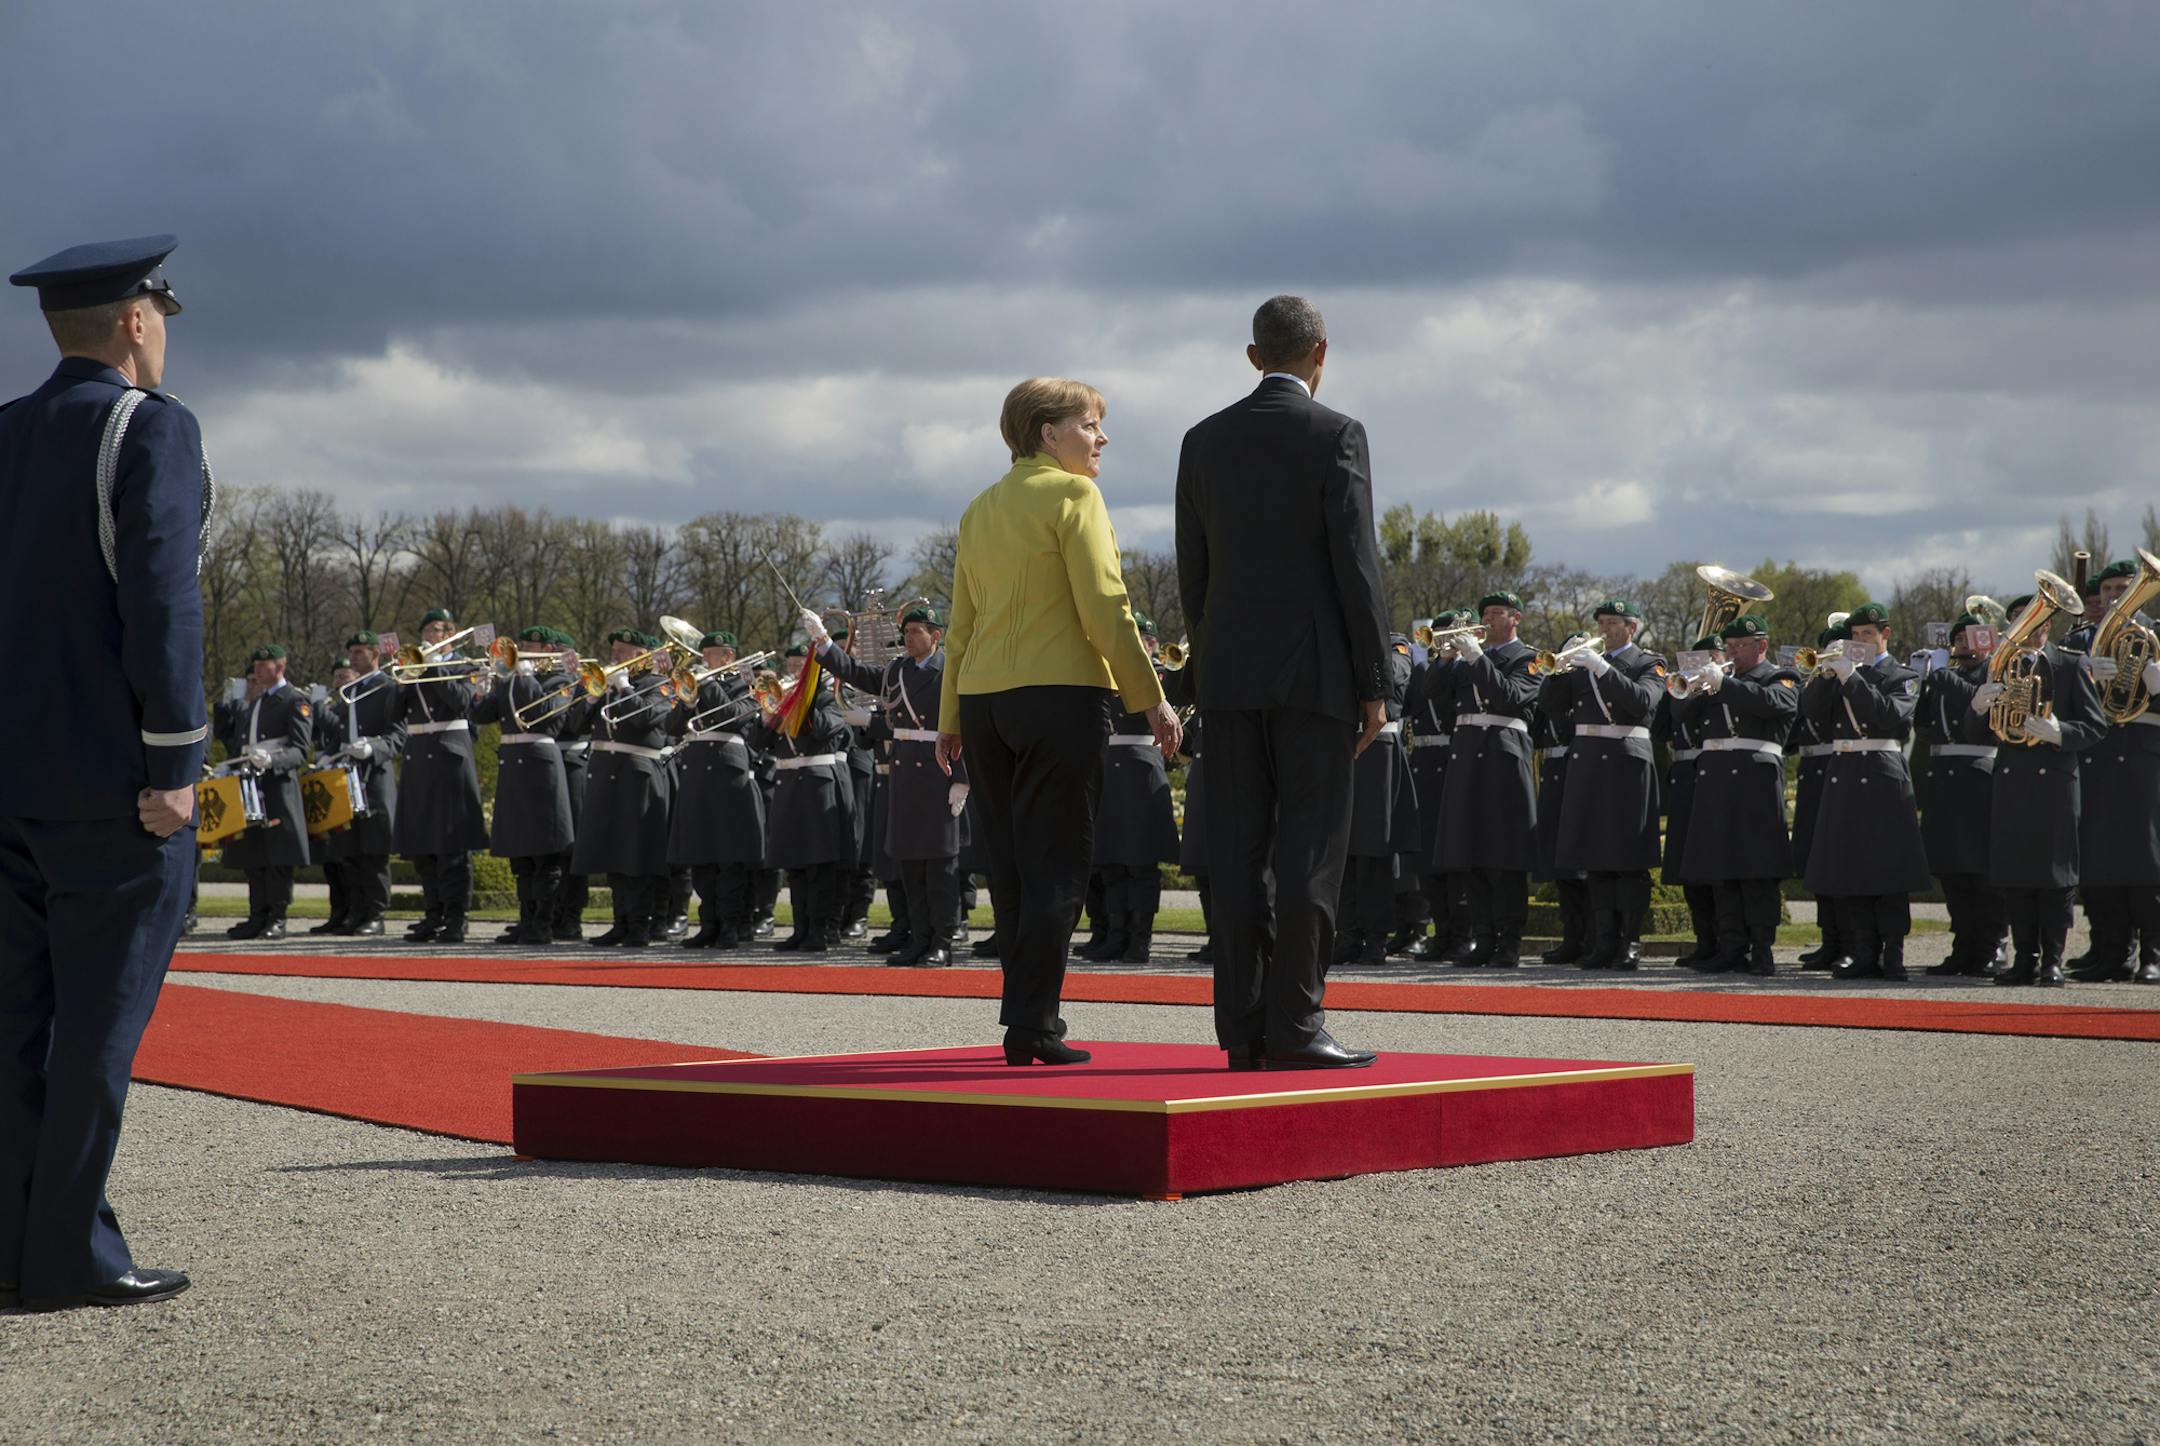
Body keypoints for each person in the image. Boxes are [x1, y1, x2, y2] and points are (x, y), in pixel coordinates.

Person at [2, 233, 207, 1309]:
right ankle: (71, 1257)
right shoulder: (147, 430)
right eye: (161, 313)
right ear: (135, 319)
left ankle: (15, 1248)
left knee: (12, 1030)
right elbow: (162, 601)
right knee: (94, 1032)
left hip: (10, 782)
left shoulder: (6, 432)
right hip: (114, 791)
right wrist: (176, 760)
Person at [1174, 295, 1389, 1069]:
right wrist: (1375, 681)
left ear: (1253, 355)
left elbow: (1192, 575)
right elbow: (1357, 571)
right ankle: (1296, 1024)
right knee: (1310, 854)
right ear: (1320, 352)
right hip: (1316, 675)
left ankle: (1243, 1030)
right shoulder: (1337, 434)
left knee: (1236, 856)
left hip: (1229, 677)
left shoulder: (1203, 440)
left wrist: (1206, 672)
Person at [940, 376, 1176, 1067]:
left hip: (984, 700)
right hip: (1061, 693)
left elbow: (961, 625)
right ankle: (1035, 1026)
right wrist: (1149, 695)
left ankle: (1025, 1019)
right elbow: (1107, 604)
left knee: (1011, 868)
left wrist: (950, 713)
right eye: (1089, 424)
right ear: (1048, 432)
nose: (1101, 438)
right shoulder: (1076, 495)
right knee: (1060, 866)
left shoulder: (980, 507)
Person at [807, 605, 967, 966]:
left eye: (916, 631)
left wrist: (962, 779)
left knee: (940, 868)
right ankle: (919, 938)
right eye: (906, 631)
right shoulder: (897, 670)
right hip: (905, 776)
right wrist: (823, 644)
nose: (908, 638)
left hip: (939, 771)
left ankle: (942, 941)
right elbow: (859, 674)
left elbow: (965, 727)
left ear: (936, 635)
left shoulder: (951, 671)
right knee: (910, 866)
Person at [1967, 601, 2107, 985]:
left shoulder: (2069, 664)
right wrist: (1978, 707)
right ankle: (2025, 958)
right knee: (2016, 875)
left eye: (2040, 620)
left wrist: (2061, 733)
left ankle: (2053, 960)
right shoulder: (1999, 664)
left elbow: (2095, 726)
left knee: (2055, 877)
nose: (2033, 628)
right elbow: (1973, 733)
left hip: (2055, 783)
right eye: (2024, 621)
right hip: (2012, 782)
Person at [1801, 603, 1932, 981]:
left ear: (1884, 634)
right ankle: (1863, 951)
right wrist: (1827, 677)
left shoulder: (1902, 675)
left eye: (1867, 635)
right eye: (1855, 636)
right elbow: (1810, 712)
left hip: (1881, 774)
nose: (1860, 642)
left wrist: (1852, 680)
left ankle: (1893, 953)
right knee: (1852, 866)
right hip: (1844, 771)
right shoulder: (1841, 673)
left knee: (1888, 869)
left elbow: (1890, 716)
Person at [1541, 599, 1667, 972]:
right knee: (1595, 858)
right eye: (1601, 622)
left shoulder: (1649, 663)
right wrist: (1560, 669)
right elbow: (1549, 705)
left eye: (1613, 622)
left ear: (1631, 627)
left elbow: (1643, 702)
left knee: (1628, 861)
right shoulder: (1582, 663)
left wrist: (1601, 668)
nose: (1605, 628)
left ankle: (1629, 942)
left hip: (1627, 762)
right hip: (1588, 763)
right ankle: (1603, 940)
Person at [1674, 616, 1799, 975]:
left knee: (1756, 869)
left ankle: (1761, 949)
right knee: (1721, 867)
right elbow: (1680, 712)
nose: (1731, 653)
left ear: (1761, 646)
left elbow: (1776, 703)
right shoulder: (1717, 682)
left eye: (1739, 646)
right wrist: (1697, 684)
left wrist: (1724, 685)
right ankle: (1730, 948)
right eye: (1728, 647)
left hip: (1754, 780)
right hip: (1715, 779)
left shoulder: (1780, 677)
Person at [1428, 592, 1541, 969]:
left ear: (1515, 618)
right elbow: (1429, 697)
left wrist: (1476, 657)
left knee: (1505, 855)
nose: (1489, 619)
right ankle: (1483, 938)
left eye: (1497, 613)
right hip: (1466, 755)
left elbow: (1507, 696)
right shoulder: (1464, 661)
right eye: (1486, 614)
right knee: (1471, 852)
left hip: (1502, 756)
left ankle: (1509, 941)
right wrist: (1445, 660)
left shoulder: (1528, 658)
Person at [2072, 559, 2160, 983]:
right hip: (2097, 755)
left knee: (2147, 858)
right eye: (2106, 591)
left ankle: (2152, 953)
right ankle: (2110, 950)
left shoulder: (2157, 635)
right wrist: (2085, 679)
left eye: (2122, 589)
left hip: (2143, 754)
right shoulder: (2079, 641)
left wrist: (2151, 676)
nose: (2111, 598)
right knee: (2100, 857)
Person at [1084, 614, 1182, 964]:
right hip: (1109, 767)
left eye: (1139, 637)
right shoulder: (1107, 673)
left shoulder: (1162, 674)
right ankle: (1116, 933)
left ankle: (1140, 938)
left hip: (1141, 767)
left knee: (1141, 863)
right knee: (1110, 861)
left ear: (1152, 642)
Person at [471, 626, 577, 946]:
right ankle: (526, 919)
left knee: (545, 853)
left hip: (541, 764)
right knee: (520, 853)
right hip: (513, 764)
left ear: (546, 649)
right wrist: (483, 686)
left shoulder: (562, 680)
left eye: (529, 646)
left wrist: (526, 678)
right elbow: (481, 715)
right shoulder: (512, 678)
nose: (521, 650)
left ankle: (542, 924)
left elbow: (547, 718)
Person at [667, 631, 770, 950]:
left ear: (727, 656)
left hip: (729, 773)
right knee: (701, 855)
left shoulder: (746, 685)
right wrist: (688, 701)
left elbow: (732, 717)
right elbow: (671, 728)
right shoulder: (697, 687)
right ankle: (708, 923)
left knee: (729, 856)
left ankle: (732, 924)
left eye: (708, 655)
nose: (701, 661)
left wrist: (706, 685)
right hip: (697, 773)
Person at [573, 630, 676, 947]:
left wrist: (625, 687)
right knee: (611, 851)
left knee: (637, 853)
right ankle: (620, 923)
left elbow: (646, 718)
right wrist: (590, 697)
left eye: (622, 650)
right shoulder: (606, 682)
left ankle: (639, 925)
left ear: (640, 654)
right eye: (614, 649)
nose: (615, 655)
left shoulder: (659, 685)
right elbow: (573, 724)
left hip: (637, 773)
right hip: (605, 771)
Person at [392, 608, 490, 944]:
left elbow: (462, 701)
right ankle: (432, 915)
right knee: (423, 845)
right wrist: (402, 677)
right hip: (419, 756)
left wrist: (434, 665)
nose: (431, 636)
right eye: (428, 630)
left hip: (450, 756)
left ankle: (456, 918)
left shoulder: (466, 665)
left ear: (450, 634)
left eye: (438, 630)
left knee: (452, 845)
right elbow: (391, 714)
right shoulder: (412, 666)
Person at [750, 643, 856, 951]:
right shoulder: (780, 702)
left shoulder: (829, 697)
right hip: (787, 784)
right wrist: (766, 714)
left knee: (819, 865)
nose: (794, 672)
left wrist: (798, 701)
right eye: (792, 666)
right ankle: (800, 929)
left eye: (801, 667)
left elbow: (824, 728)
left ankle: (819, 931)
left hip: (817, 784)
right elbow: (758, 742)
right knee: (795, 864)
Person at [1917, 614, 2006, 976]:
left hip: (1979, 777)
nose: (1963, 645)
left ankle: (1992, 945)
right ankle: (1963, 944)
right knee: (1951, 869)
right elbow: (1922, 723)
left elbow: (1976, 703)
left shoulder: (1994, 674)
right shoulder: (1942, 678)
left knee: (1982, 870)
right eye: (1958, 639)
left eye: (1971, 638)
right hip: (1944, 778)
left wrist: (1938, 675)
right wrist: (1921, 681)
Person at [213, 644, 313, 940]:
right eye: (255, 664)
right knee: (254, 854)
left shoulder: (294, 700)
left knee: (278, 857)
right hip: (251, 785)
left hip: (276, 785)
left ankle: (277, 916)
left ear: (279, 666)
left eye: (263, 664)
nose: (256, 669)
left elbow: (300, 751)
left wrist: (271, 759)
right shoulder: (255, 703)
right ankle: (257, 914)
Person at [316, 631, 402, 936]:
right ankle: (356, 911)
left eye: (361, 652)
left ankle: (375, 914)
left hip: (373, 775)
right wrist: (327, 755)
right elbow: (340, 731)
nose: (354, 657)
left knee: (374, 851)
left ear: (375, 654)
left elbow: (398, 734)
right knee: (349, 850)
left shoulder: (387, 687)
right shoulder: (349, 691)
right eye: (352, 652)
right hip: (346, 774)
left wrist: (374, 748)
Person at [1336, 629, 1414, 968]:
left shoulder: (1393, 641)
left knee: (1374, 849)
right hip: (1340, 743)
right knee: (1342, 850)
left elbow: (1394, 673)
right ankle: (1348, 933)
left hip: (1378, 747)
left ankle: (1376, 937)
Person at [1656, 634, 1722, 966]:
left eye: (1711, 657)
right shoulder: (1683, 686)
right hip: (1684, 774)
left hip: (1715, 772)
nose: (1703, 665)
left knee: (1715, 863)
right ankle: (1704, 940)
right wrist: (1684, 687)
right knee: (1687, 864)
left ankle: (1726, 941)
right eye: (1698, 658)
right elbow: (1664, 726)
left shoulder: (1726, 687)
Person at [1789, 621, 1850, 971]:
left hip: (1836, 767)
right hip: (1813, 772)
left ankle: (1848, 940)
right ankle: (1829, 939)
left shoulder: (1844, 684)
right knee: (1816, 859)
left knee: (1839, 859)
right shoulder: (1813, 683)